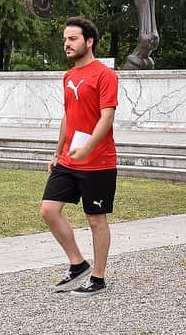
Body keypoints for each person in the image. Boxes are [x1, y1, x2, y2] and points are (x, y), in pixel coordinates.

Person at [40, 17, 118, 296]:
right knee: (48, 210)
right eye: (65, 39)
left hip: (98, 161)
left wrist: (87, 148)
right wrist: (58, 151)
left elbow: (107, 117)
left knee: (95, 218)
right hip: (70, 160)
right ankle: (77, 264)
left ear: (89, 41)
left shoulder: (104, 75)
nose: (67, 44)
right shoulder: (69, 76)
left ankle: (98, 277)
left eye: (72, 39)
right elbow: (67, 116)